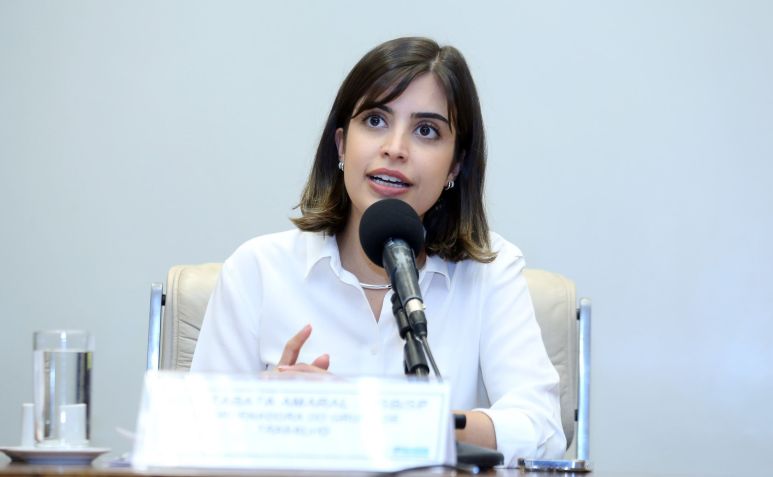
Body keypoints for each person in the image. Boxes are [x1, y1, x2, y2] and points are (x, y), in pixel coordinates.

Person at [190, 36, 566, 465]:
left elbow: (542, 432)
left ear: (455, 166)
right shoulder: (258, 270)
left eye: (426, 130)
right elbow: (195, 439)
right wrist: (268, 413)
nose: (395, 148)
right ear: (341, 145)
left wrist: (368, 414)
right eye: (375, 120)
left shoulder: (490, 270)